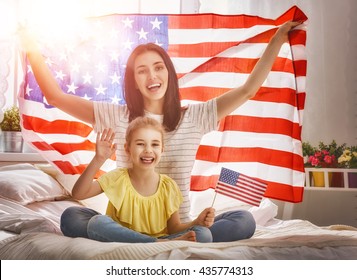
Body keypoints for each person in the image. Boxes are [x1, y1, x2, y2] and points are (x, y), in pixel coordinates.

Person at [19, 20, 301, 242]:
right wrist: (31, 47)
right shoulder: (116, 116)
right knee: (72, 217)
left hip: (178, 225)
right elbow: (55, 97)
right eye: (142, 71)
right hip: (126, 223)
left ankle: (166, 239)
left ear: (169, 72)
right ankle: (148, 240)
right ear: (134, 80)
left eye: (158, 67)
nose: (152, 76)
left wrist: (277, 39)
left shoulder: (197, 116)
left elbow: (248, 89)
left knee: (245, 221)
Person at [61, 116, 214, 242]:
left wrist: (196, 222)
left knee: (204, 234)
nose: (148, 150)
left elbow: (174, 228)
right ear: (127, 149)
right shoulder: (118, 177)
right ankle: (157, 244)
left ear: (162, 149)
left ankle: (157, 242)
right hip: (124, 234)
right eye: (140, 144)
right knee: (75, 217)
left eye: (154, 144)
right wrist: (98, 159)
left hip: (164, 237)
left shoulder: (169, 186)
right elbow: (78, 194)